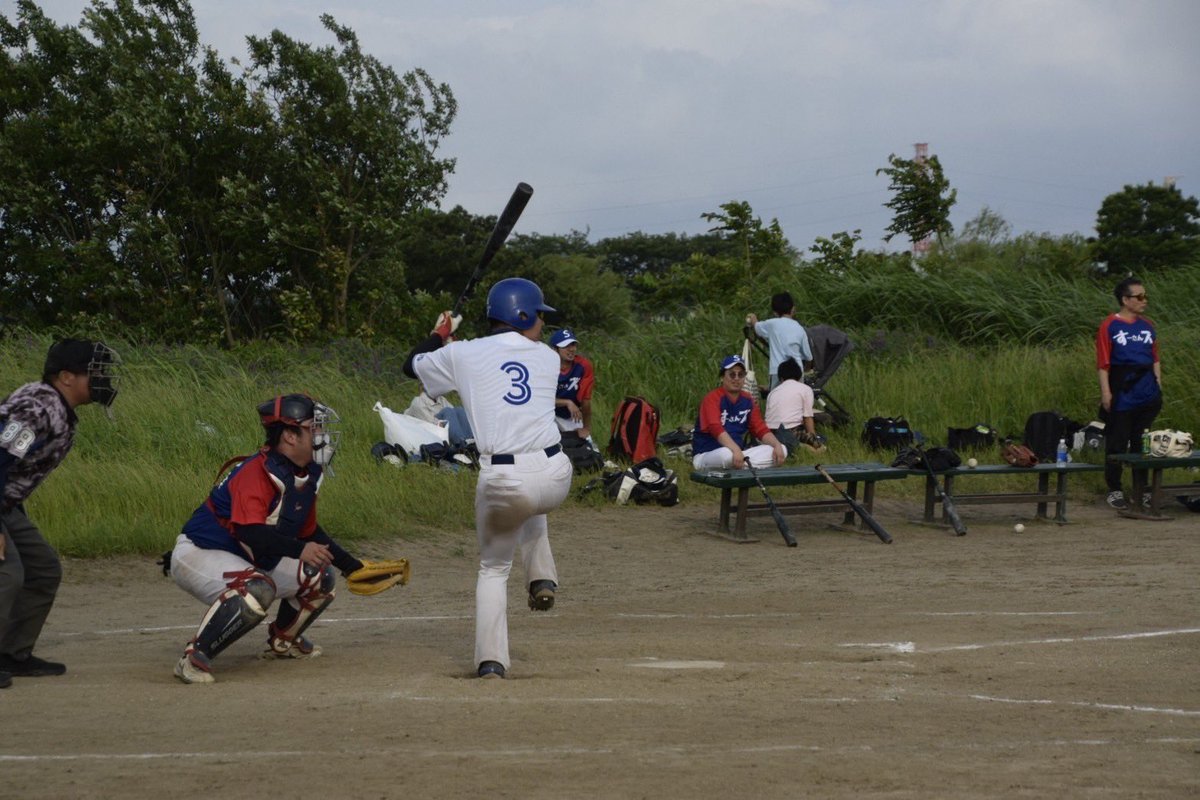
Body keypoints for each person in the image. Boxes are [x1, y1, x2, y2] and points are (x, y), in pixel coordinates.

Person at [403, 277, 572, 680]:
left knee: (494, 569)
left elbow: (410, 366)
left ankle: (491, 662)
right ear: (522, 315)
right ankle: (542, 576)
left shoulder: (462, 353)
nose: (542, 326)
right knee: (532, 498)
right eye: (539, 317)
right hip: (556, 475)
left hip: (504, 482)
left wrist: (439, 334)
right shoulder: (548, 356)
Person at [169, 393, 367, 684]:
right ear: (289, 435)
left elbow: (309, 532)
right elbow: (251, 533)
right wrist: (300, 550)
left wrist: (354, 567)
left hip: (245, 554)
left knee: (321, 574)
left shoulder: (308, 471)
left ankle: (283, 641)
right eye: (315, 428)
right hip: (199, 553)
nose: (322, 435)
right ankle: (194, 658)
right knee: (258, 589)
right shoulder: (256, 472)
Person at [1, 339, 120, 687]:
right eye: (94, 372)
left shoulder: (56, 407)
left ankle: (12, 653)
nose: (101, 379)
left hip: (6, 505)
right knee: (8, 574)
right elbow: (0, 456)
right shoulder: (37, 408)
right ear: (66, 376)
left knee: (43, 569)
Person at [1096, 277, 1162, 510]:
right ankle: (1114, 488)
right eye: (1139, 297)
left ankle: (1140, 489)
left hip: (1147, 389)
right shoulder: (1110, 326)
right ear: (1125, 300)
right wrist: (1106, 392)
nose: (1144, 301)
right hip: (1123, 389)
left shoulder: (1147, 325)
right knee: (1117, 441)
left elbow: (1154, 357)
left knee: (1141, 442)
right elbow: (1103, 363)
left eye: (1145, 296)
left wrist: (1158, 385)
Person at [692, 354, 787, 470]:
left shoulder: (748, 400)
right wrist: (735, 449)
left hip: (739, 453)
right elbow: (715, 428)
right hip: (708, 454)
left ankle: (741, 465)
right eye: (732, 374)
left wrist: (776, 445)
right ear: (722, 377)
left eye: (740, 375)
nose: (736, 378)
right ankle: (747, 465)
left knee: (782, 449)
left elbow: (760, 429)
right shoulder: (712, 398)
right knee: (727, 455)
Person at [746, 291, 812, 389]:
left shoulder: (772, 324)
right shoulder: (800, 328)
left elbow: (757, 327)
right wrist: (806, 370)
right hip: (797, 372)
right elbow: (808, 357)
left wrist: (753, 318)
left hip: (777, 372)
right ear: (793, 309)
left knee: (776, 399)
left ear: (775, 313)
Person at [764, 358, 825, 454]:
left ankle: (788, 446)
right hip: (790, 430)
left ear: (781, 378)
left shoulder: (772, 392)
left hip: (769, 433)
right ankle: (803, 447)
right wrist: (813, 438)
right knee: (822, 439)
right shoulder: (805, 389)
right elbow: (807, 417)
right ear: (799, 375)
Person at [550, 327, 596, 445]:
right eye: (566, 346)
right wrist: (567, 402)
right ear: (555, 349)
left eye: (573, 345)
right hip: (548, 413)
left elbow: (586, 401)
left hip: (571, 415)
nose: (571, 349)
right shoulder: (546, 367)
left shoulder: (583, 366)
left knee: (587, 446)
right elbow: (540, 400)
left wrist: (586, 428)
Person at [404, 381, 474, 447]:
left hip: (440, 426)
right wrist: (447, 421)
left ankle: (471, 440)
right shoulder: (418, 402)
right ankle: (461, 444)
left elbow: (455, 414)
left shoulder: (441, 399)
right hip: (428, 430)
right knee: (447, 411)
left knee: (459, 410)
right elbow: (430, 423)